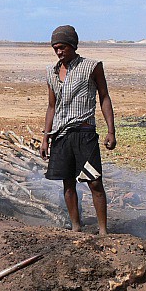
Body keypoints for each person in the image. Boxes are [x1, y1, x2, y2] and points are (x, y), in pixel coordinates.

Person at [40, 25, 116, 235]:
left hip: (85, 133)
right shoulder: (51, 72)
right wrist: (45, 139)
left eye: (62, 47)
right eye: (55, 48)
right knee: (67, 183)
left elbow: (104, 97)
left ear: (73, 45)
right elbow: (51, 106)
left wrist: (111, 130)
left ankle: (103, 231)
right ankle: (76, 227)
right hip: (61, 135)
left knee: (94, 182)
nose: (58, 52)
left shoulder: (92, 66)